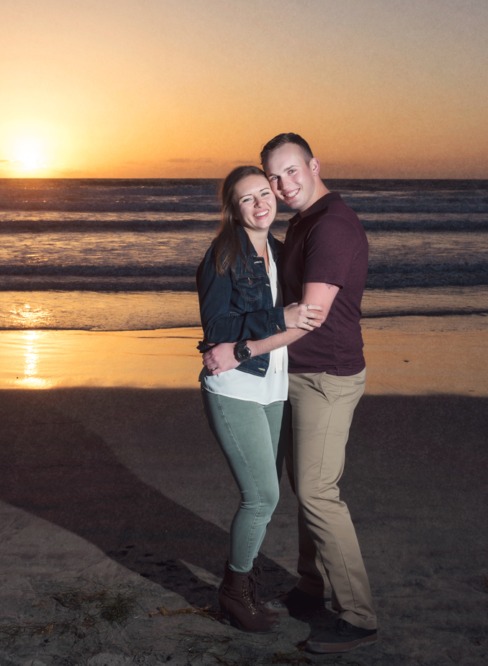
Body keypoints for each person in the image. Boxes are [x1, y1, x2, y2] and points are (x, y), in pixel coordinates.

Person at [203, 134, 377, 654]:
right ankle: (310, 586)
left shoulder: (332, 227)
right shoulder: (297, 224)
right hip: (292, 376)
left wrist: (243, 348)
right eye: (271, 179)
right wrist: (231, 342)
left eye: (290, 173)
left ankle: (359, 616)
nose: (281, 187)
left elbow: (311, 316)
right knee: (304, 487)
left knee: (319, 492)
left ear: (314, 166)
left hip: (325, 374)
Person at [196, 165, 324, 633]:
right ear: (233, 209)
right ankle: (234, 588)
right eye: (247, 199)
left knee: (266, 496)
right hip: (234, 386)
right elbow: (216, 332)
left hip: (273, 386)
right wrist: (276, 316)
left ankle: (241, 581)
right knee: (262, 496)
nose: (260, 204)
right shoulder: (222, 257)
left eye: (264, 194)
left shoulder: (279, 251)